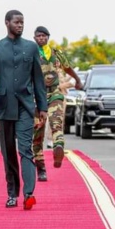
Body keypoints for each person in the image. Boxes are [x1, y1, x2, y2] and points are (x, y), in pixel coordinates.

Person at [0, 9, 48, 210]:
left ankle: (29, 193)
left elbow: (38, 78)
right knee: (8, 152)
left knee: (25, 149)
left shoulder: (31, 47)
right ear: (7, 23)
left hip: (26, 106)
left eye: (22, 22)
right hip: (3, 106)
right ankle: (12, 193)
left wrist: (42, 106)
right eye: (16, 22)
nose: (20, 25)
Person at [31, 26, 83, 180]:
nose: (41, 38)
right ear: (34, 38)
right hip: (36, 95)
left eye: (44, 36)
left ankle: (58, 148)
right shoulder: (30, 53)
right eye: (38, 36)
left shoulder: (56, 53)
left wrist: (78, 80)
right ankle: (41, 168)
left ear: (48, 37)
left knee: (57, 122)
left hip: (55, 92)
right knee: (37, 132)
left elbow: (67, 68)